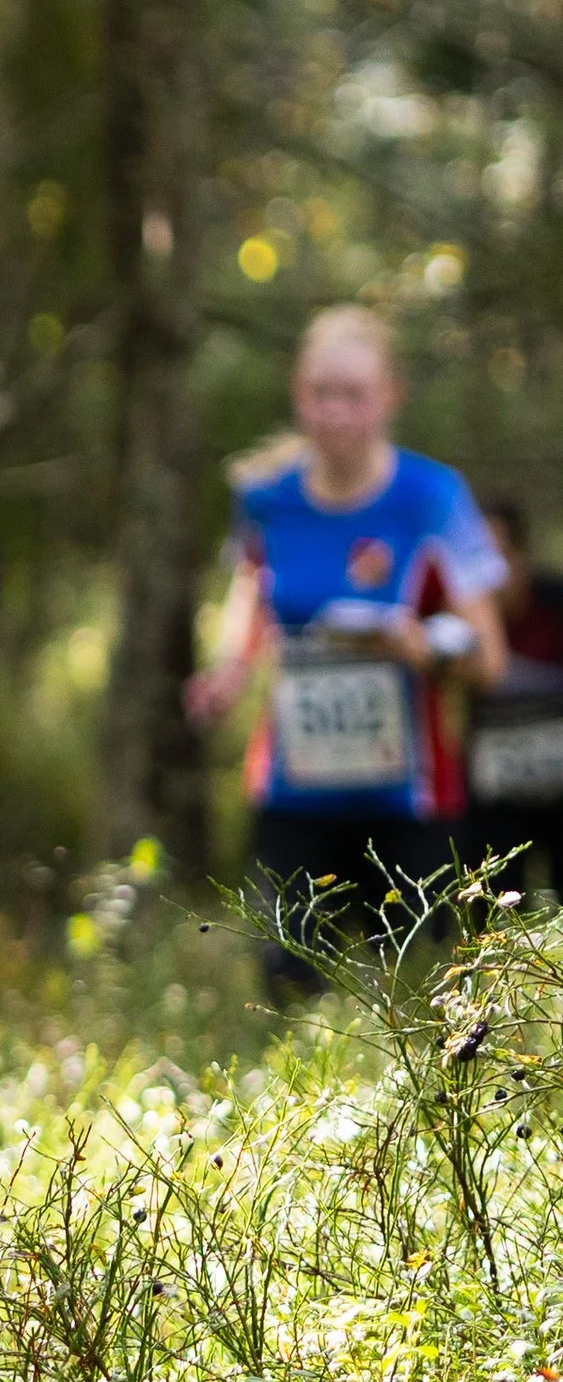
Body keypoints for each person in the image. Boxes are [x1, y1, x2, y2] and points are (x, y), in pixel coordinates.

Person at [187, 305, 505, 984]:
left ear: (390, 396)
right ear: (298, 394)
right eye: (319, 393)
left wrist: (421, 651)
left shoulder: (433, 497)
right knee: (283, 994)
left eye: (353, 394)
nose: (334, 412)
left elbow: (491, 657)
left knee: (418, 1004)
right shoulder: (264, 496)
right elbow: (251, 598)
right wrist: (226, 673)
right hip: (292, 795)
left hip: (409, 803)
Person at [468, 501, 563, 894]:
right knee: (491, 917)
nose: (488, 575)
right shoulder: (450, 618)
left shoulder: (555, 604)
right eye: (472, 559)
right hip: (487, 801)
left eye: (499, 556)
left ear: (523, 556)